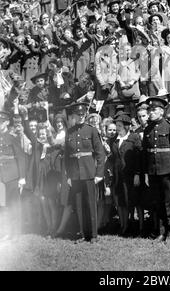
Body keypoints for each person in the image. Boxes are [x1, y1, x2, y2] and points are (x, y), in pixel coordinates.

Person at [65, 102, 106, 243]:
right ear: (74, 116)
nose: (81, 117)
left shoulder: (92, 131)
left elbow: (100, 154)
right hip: (75, 175)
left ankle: (93, 235)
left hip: (89, 173)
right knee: (79, 205)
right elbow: (67, 157)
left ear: (85, 115)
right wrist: (68, 175)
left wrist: (99, 174)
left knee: (90, 204)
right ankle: (83, 234)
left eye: (83, 114)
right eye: (78, 115)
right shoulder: (69, 132)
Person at [142, 96, 170, 242]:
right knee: (157, 203)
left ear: (161, 112)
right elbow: (145, 153)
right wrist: (146, 172)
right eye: (150, 110)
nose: (151, 112)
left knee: (168, 202)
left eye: (154, 110)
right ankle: (161, 232)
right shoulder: (147, 129)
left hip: (167, 171)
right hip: (153, 171)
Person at [0, 110, 26, 240]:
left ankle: (15, 233)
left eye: (2, 121)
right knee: (2, 205)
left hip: (12, 176)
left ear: (6, 122)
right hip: (1, 177)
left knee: (14, 205)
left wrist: (22, 177)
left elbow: (21, 158)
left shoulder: (12, 138)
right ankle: (5, 232)